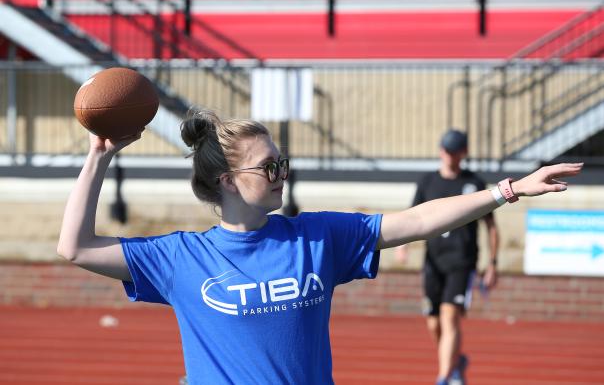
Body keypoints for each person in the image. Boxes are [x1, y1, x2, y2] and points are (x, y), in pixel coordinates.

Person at [57, 109, 582, 385]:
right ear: (225, 181)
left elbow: (419, 221)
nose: (282, 173)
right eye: (270, 167)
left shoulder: (316, 237)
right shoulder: (180, 258)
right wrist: (99, 156)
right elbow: (75, 247)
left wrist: (506, 190)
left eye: (283, 163)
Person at [396, 129, 499, 385]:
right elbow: (412, 216)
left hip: (462, 262)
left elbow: (491, 226)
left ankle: (444, 376)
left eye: (454, 151)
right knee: (434, 324)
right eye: (445, 150)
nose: (448, 156)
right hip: (433, 261)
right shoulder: (427, 182)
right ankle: (457, 360)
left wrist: (492, 264)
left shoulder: (474, 183)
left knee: (450, 316)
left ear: (463, 153)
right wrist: (402, 245)